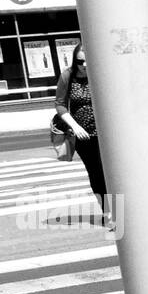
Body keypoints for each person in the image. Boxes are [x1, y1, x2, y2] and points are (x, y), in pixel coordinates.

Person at [54, 44, 105, 201]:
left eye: (87, 61)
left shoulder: (101, 73)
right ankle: (108, 212)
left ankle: (118, 214)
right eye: (79, 61)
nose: (83, 66)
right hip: (83, 135)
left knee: (111, 173)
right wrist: (75, 126)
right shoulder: (67, 76)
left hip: (106, 133)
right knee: (95, 173)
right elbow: (60, 104)